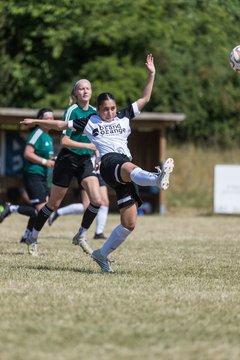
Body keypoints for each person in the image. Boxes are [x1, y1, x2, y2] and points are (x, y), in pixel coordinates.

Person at [21, 54, 174, 272]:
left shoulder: (123, 116)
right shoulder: (90, 121)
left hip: (119, 169)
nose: (109, 112)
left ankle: (101, 254)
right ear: (98, 109)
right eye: (105, 109)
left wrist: (152, 74)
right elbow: (60, 125)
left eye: (112, 108)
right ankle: (156, 178)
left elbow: (145, 98)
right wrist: (36, 121)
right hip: (109, 163)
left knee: (129, 223)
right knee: (126, 167)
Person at [23, 79, 104, 256]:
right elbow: (65, 141)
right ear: (75, 93)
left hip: (84, 162)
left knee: (97, 201)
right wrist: (89, 147)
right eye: (81, 89)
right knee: (52, 204)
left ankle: (81, 235)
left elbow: (97, 140)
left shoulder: (94, 112)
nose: (85, 91)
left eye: (88, 88)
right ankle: (33, 237)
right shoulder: (71, 111)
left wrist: (97, 154)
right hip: (67, 160)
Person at [0, 108, 55, 243]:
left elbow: (48, 157)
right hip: (33, 174)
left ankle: (26, 236)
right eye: (46, 118)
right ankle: (12, 208)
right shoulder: (37, 133)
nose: (50, 121)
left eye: (52, 118)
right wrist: (44, 161)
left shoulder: (48, 137)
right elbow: (27, 153)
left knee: (43, 210)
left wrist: (53, 160)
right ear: (39, 120)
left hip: (42, 176)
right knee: (42, 210)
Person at [48, 172, 109, 240]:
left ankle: (99, 233)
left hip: (99, 171)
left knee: (104, 203)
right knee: (86, 206)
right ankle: (59, 212)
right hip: (88, 170)